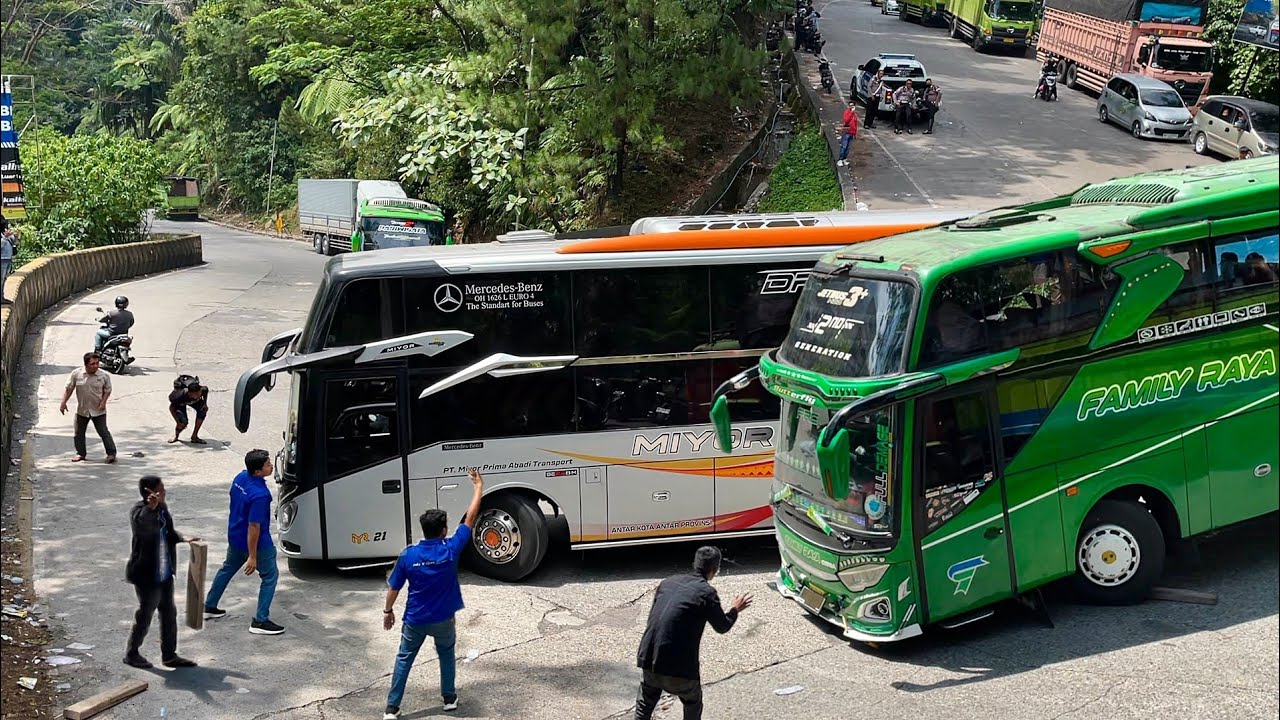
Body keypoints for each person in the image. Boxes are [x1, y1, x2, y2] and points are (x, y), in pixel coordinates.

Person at [382, 469, 485, 720]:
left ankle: (392, 708)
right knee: (446, 655)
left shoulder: (409, 555)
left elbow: (394, 588)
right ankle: (449, 699)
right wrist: (478, 487)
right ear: (443, 531)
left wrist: (387, 612)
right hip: (443, 619)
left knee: (404, 659)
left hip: (415, 619)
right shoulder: (450, 549)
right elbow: (470, 518)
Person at [634, 546, 753, 720]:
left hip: (649, 658)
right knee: (692, 703)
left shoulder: (668, 582)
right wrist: (734, 610)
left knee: (644, 705)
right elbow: (722, 626)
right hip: (679, 670)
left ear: (694, 563)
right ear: (714, 570)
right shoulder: (706, 593)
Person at [202, 449, 285, 635]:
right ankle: (260, 621)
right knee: (270, 577)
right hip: (257, 544)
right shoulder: (260, 495)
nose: (271, 466)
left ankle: (209, 606)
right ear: (257, 471)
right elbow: (254, 527)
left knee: (227, 569)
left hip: (235, 536)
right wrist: (253, 557)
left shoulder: (240, 478)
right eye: (267, 464)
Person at [125, 475, 200, 669]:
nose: (165, 492)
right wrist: (150, 508)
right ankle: (132, 653)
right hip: (147, 575)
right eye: (161, 489)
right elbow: (142, 528)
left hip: (164, 572)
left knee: (169, 613)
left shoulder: (163, 509)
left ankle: (169, 654)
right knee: (146, 613)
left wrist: (184, 539)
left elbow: (169, 533)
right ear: (151, 493)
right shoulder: (139, 512)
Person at [59, 352, 117, 463]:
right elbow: (69, 388)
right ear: (86, 365)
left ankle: (111, 454)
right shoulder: (76, 374)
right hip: (82, 410)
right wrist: (63, 402)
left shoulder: (104, 376)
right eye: (92, 364)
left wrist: (103, 402)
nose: (95, 366)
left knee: (103, 432)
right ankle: (80, 453)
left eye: (97, 363)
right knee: (78, 433)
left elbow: (107, 390)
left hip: (98, 410)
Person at [168, 380, 210, 444]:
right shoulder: (178, 396)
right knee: (183, 422)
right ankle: (176, 436)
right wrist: (178, 422)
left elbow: (205, 392)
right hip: (181, 402)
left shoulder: (203, 389)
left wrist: (205, 404)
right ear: (188, 392)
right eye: (193, 395)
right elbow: (171, 408)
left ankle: (194, 436)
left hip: (195, 402)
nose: (196, 397)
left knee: (202, 411)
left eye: (198, 394)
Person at [837, 99, 860, 167]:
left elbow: (855, 124)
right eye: (850, 106)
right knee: (844, 146)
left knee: (848, 147)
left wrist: (855, 133)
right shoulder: (847, 112)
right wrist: (851, 113)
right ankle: (840, 159)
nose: (851, 107)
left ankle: (844, 158)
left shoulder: (855, 114)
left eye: (852, 106)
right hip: (846, 132)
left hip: (852, 133)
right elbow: (846, 121)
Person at [1, 218, 14, 304]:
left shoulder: (5, 233)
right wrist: (5, 238)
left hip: (8, 258)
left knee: (4, 279)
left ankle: (2, 296)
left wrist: (15, 236)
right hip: (2, 259)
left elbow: (15, 243)